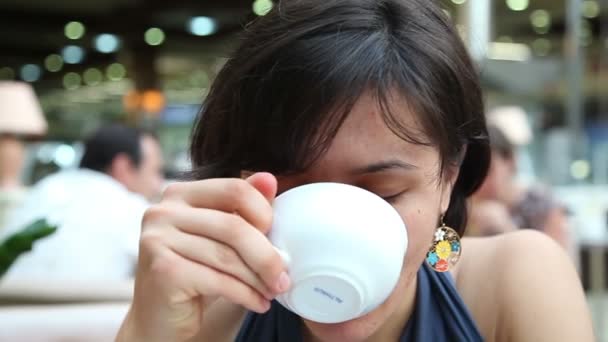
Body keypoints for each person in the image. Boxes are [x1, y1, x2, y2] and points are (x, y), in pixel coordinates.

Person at [116, 1, 593, 341]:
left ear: (448, 178)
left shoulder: (512, 283)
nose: (335, 234)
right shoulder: (213, 318)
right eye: (291, 190)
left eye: (382, 195)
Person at [0, 124, 164, 282]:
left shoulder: (43, 189)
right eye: (156, 171)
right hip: (90, 308)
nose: (159, 184)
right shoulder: (132, 208)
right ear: (123, 167)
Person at [471, 120, 571, 251]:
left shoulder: (542, 203)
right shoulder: (462, 205)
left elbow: (560, 260)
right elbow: (441, 260)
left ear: (511, 161)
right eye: (473, 174)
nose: (481, 182)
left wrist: (506, 229)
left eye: (489, 171)